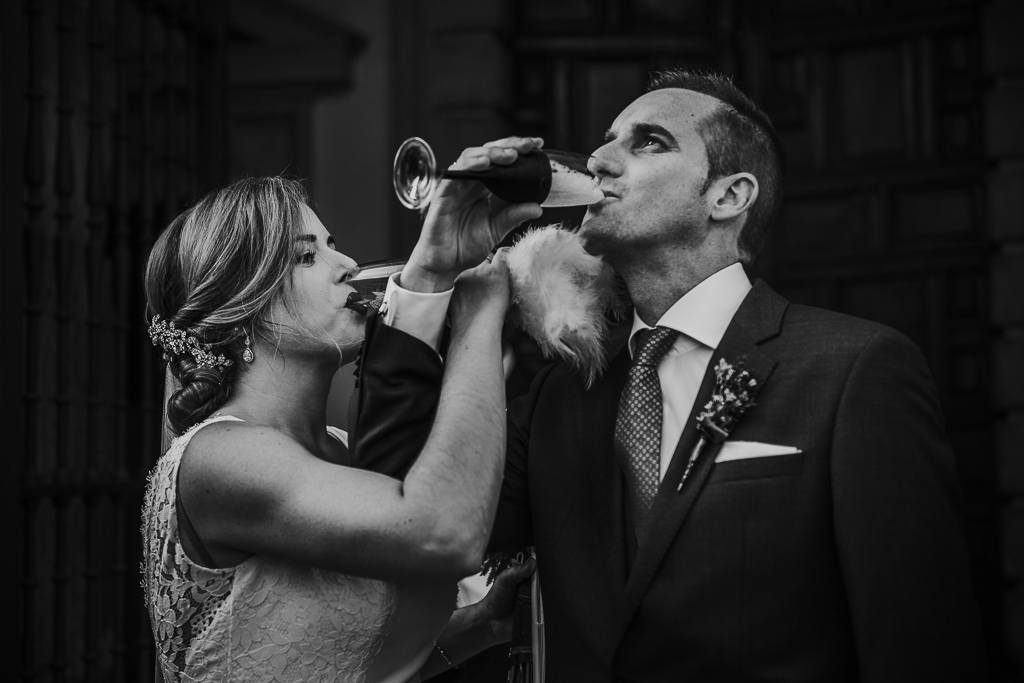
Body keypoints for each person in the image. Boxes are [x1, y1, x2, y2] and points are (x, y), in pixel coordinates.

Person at [356, 69, 990, 681]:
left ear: (728, 196)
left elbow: (920, 647)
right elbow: (402, 522)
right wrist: (429, 277)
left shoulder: (855, 369)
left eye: (648, 142)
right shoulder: (559, 397)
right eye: (606, 141)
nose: (599, 161)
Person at [141, 175, 542, 683]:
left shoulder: (345, 450)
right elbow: (445, 534)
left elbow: (336, 661)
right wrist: (476, 322)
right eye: (307, 257)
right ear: (244, 306)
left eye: (333, 246)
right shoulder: (220, 459)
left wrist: (483, 624)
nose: (348, 264)